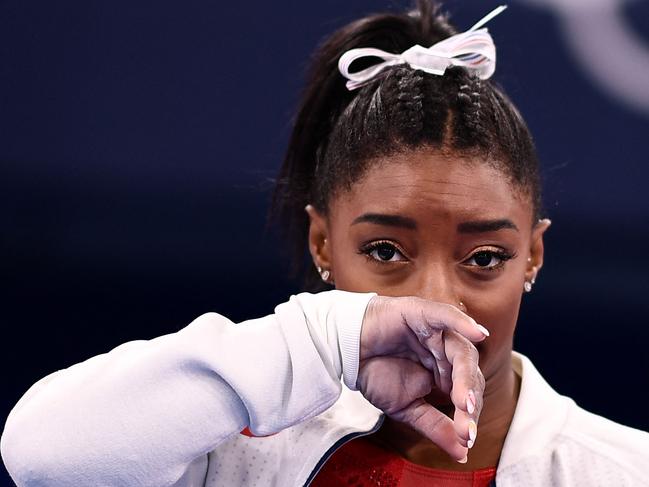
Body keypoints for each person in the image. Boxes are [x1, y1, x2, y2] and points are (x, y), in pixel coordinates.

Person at [2, 1, 648, 486]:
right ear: (322, 242)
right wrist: (318, 339)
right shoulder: (230, 440)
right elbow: (41, 457)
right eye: (385, 252)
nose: (434, 300)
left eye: (483, 259)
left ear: (532, 255)